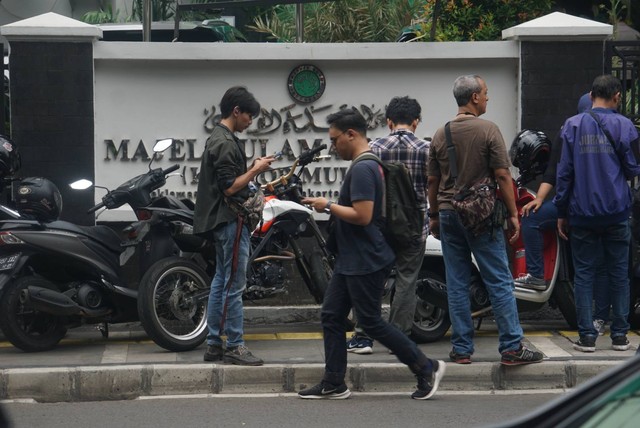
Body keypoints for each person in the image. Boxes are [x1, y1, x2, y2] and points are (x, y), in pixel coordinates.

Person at [299, 108, 445, 400]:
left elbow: (363, 215)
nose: (333, 145)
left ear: (350, 134)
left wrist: (325, 205)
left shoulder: (364, 167)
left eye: (335, 139)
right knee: (331, 315)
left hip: (365, 259)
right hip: (353, 258)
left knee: (372, 322)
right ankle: (334, 382)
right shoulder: (364, 164)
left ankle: (426, 366)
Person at [427, 74, 544, 366]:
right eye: (486, 93)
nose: (488, 97)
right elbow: (503, 175)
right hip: (482, 216)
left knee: (456, 281)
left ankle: (462, 349)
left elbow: (432, 180)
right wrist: (514, 214)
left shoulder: (441, 133)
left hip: (448, 212)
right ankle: (512, 348)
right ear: (474, 98)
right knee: (499, 280)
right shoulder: (489, 130)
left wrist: (433, 215)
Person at [553, 74, 640, 353]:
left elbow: (564, 173)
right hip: (616, 212)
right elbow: (633, 168)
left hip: (581, 213)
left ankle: (587, 337)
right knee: (619, 274)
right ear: (616, 97)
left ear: (591, 96)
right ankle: (619, 336)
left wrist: (561, 211)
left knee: (584, 275)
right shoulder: (625, 126)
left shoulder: (572, 125)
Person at [516, 94, 612, 336]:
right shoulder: (615, 130)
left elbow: (556, 173)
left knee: (532, 218)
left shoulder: (570, 130)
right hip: (607, 209)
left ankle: (537, 274)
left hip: (575, 208)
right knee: (600, 265)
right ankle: (602, 320)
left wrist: (545, 201)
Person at [194, 86, 275, 366]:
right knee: (234, 285)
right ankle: (235, 345)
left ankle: (215, 344)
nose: (250, 122)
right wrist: (255, 170)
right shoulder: (226, 143)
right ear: (236, 111)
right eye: (248, 116)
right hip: (231, 219)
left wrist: (251, 168)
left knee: (221, 281)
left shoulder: (218, 137)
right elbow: (229, 188)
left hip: (220, 220)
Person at [346, 96, 430, 354]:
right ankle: (398, 341)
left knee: (371, 278)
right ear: (416, 122)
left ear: (389, 121)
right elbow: (434, 186)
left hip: (378, 225)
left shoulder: (374, 148)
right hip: (415, 226)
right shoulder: (427, 149)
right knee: (407, 280)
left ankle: (362, 337)